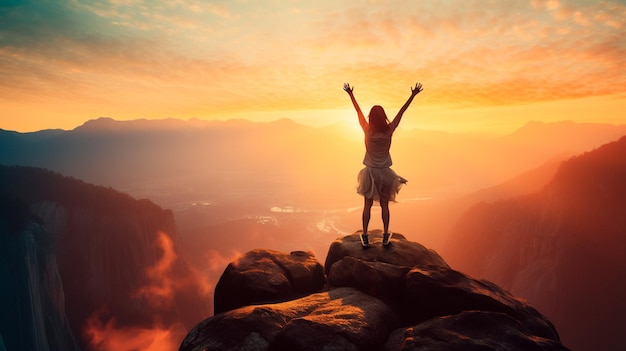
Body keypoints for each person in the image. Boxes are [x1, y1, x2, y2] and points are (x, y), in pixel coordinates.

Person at [343, 82, 423, 247]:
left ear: (371, 117)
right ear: (384, 116)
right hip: (385, 173)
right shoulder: (389, 130)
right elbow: (402, 111)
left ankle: (365, 235)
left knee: (367, 205)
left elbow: (357, 111)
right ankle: (386, 235)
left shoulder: (367, 129)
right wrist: (413, 95)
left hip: (370, 173)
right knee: (385, 205)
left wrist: (350, 94)